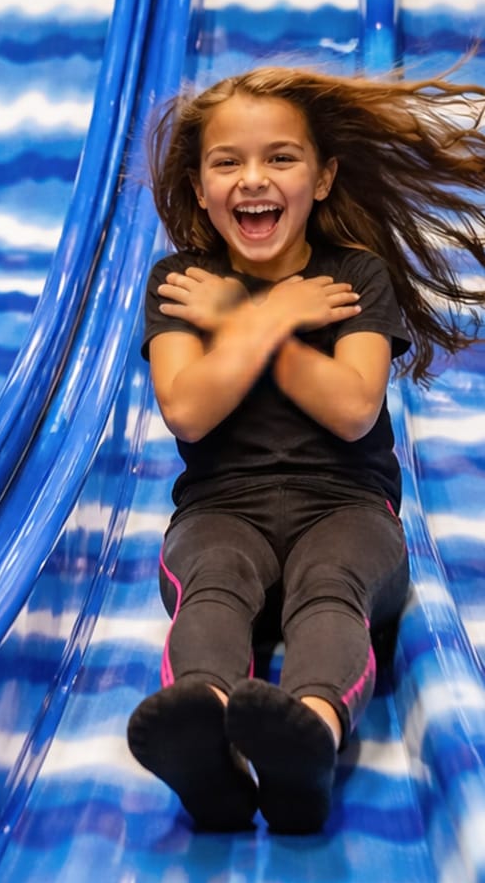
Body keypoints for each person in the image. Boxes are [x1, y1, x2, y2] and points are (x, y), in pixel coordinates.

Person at [126, 64, 485, 833]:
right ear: (198, 189)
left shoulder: (354, 276)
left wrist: (246, 320)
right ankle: (205, 731)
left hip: (347, 510)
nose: (253, 178)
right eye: (227, 162)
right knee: (214, 583)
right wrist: (263, 315)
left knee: (330, 586)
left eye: (280, 157)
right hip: (221, 513)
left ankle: (310, 736)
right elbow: (188, 411)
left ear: (321, 179)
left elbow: (353, 410)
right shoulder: (181, 281)